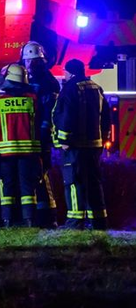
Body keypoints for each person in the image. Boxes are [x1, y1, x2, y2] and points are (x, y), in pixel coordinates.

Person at [53, 59, 112, 230]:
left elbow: (65, 115)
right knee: (94, 182)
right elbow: (106, 116)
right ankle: (99, 222)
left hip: (75, 146)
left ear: (70, 72)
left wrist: (64, 140)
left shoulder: (70, 88)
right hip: (94, 146)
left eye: (65, 72)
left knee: (73, 182)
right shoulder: (96, 88)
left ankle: (74, 222)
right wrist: (103, 138)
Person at [0, 63, 42, 228]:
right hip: (29, 152)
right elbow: (40, 121)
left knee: (7, 185)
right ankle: (29, 220)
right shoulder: (33, 100)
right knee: (27, 186)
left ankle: (7, 220)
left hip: (5, 153)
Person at [22, 41, 59, 225]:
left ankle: (47, 216)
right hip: (34, 133)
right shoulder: (42, 79)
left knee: (40, 173)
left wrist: (43, 132)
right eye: (27, 61)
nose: (28, 64)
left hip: (40, 134)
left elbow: (47, 111)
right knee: (37, 174)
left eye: (31, 61)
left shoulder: (45, 82)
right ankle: (44, 215)